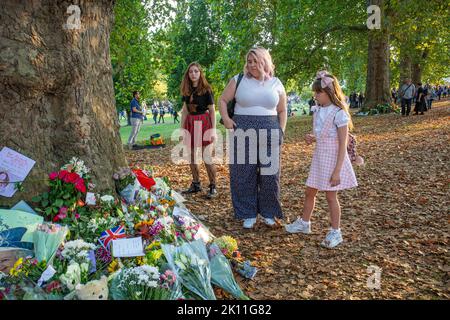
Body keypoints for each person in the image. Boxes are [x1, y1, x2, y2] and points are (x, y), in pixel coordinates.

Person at [285, 70, 357, 249]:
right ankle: (304, 223)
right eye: (315, 92)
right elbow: (324, 134)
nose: (315, 96)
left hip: (333, 160)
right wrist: (313, 137)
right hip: (319, 158)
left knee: (331, 196)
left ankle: (335, 231)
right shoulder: (318, 110)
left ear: (330, 93)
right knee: (310, 191)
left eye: (318, 92)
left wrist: (337, 170)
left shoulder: (339, 113)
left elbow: (342, 143)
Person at [219, 47, 287, 229]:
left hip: (270, 130)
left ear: (264, 62)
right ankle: (247, 213)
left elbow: (282, 110)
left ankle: (268, 213)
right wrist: (226, 119)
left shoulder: (277, 83)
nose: (251, 65)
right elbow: (223, 100)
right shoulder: (238, 80)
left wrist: (281, 130)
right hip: (242, 129)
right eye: (249, 62)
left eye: (255, 61)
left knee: (270, 174)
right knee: (243, 172)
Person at [180, 62, 218, 199]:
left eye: (196, 71)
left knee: (206, 156)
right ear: (188, 74)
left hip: (204, 122)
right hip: (190, 122)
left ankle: (213, 186)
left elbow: (212, 110)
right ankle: (196, 184)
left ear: (200, 73)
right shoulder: (186, 90)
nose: (193, 74)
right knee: (190, 155)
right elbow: (184, 111)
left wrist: (213, 130)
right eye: (191, 72)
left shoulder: (207, 89)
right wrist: (182, 129)